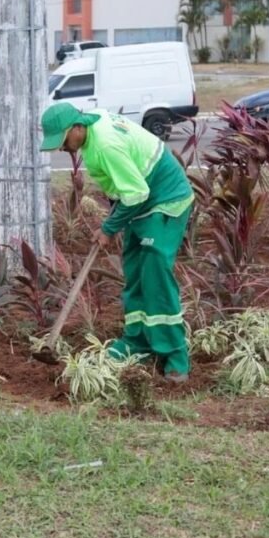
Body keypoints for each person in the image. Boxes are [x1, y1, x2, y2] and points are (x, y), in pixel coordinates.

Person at [39, 103, 195, 382]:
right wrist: (113, 221)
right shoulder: (92, 129)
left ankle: (174, 354)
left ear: (77, 127)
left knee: (155, 270)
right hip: (142, 202)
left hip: (165, 199)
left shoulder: (105, 144)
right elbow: (125, 189)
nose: (62, 148)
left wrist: (109, 227)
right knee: (135, 270)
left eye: (63, 141)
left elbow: (136, 192)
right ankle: (137, 342)